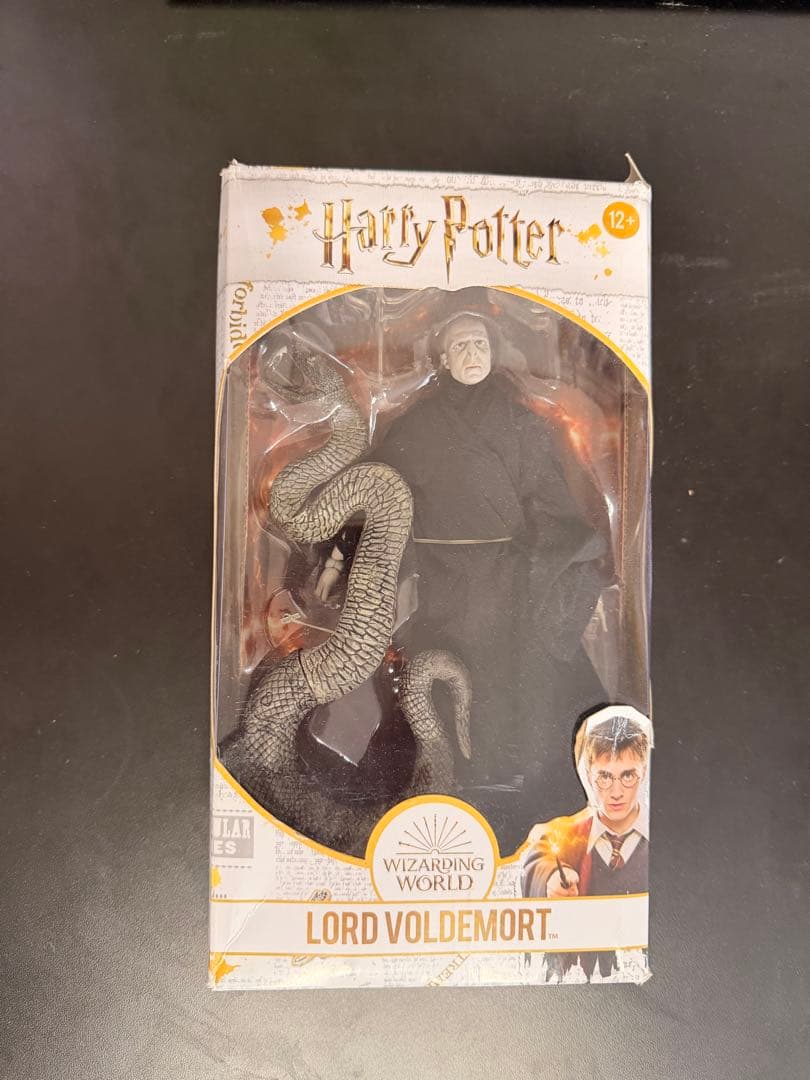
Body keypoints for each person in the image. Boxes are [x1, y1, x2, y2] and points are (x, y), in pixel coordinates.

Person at [316, 300, 610, 852]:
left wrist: (566, 561)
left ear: (493, 352)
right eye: (461, 346)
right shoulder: (417, 426)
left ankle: (510, 780)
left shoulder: (523, 424)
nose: (472, 353)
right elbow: (379, 491)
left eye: (480, 343)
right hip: (439, 580)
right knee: (434, 675)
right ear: (443, 359)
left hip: (507, 578)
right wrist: (341, 555)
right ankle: (440, 777)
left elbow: (551, 503)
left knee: (507, 677)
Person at [522, 709, 651, 980]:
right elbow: (540, 855)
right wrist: (551, 878)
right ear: (588, 775)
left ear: (644, 771)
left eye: (628, 775)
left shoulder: (661, 840)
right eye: (605, 776)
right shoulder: (572, 834)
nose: (616, 792)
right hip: (580, 979)